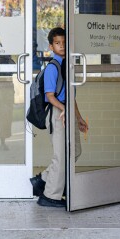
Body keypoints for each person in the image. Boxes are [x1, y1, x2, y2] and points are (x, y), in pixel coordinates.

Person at [31, 27, 88, 208]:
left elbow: (71, 96)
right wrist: (64, 110)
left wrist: (78, 117)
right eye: (57, 43)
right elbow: (50, 96)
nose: (61, 46)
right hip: (57, 113)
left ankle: (43, 179)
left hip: (67, 110)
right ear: (51, 46)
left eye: (64, 43)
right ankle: (49, 196)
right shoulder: (53, 68)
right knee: (61, 155)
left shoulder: (67, 66)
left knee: (75, 151)